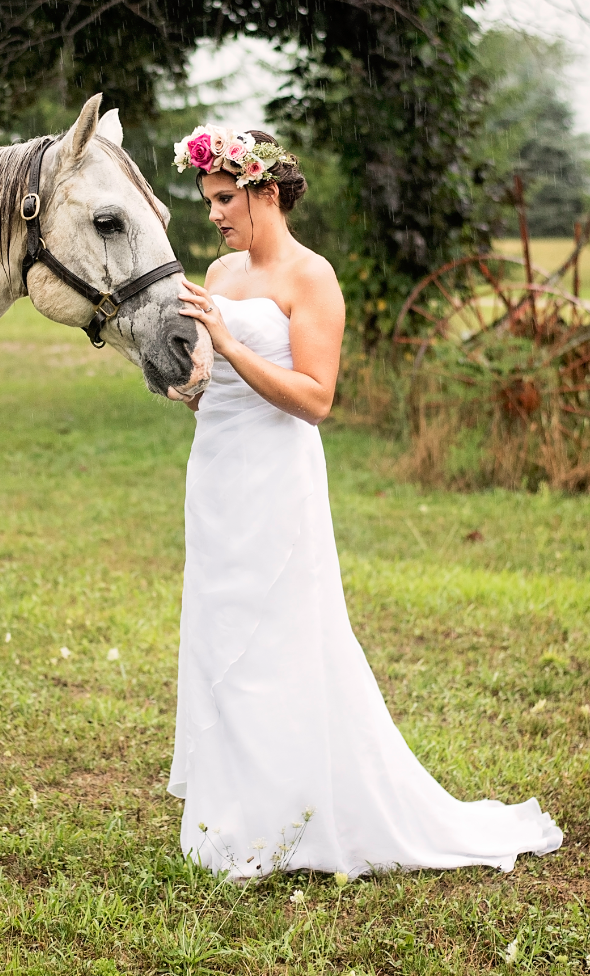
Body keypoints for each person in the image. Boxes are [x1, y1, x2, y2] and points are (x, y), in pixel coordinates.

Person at [168, 125, 563, 881]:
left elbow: (315, 400)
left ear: (267, 192)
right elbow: (208, 385)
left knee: (281, 635)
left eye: (224, 200)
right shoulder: (217, 272)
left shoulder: (312, 278)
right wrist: (184, 376)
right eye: (210, 202)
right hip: (215, 474)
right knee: (220, 632)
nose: (214, 216)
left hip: (276, 477)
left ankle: (305, 817)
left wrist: (232, 344)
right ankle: (238, 817)